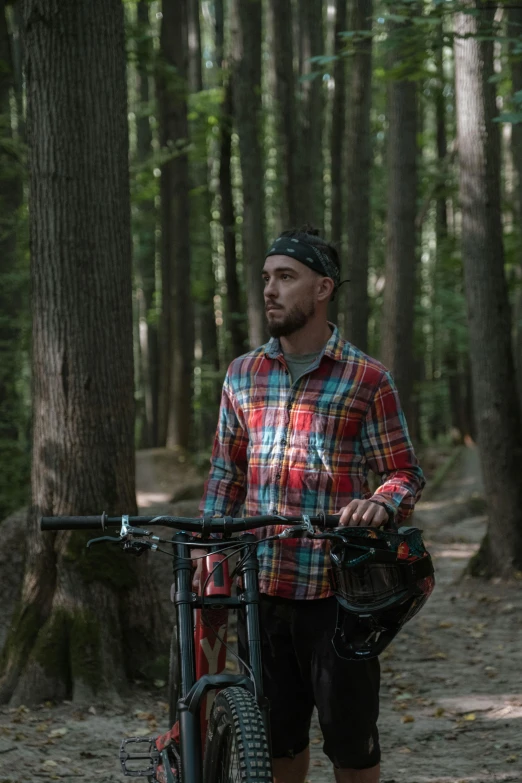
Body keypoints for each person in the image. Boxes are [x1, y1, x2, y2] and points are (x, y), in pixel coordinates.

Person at [196, 226, 425, 783]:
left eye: (286, 277)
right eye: (267, 278)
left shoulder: (368, 379)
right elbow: (226, 474)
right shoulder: (243, 374)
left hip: (337, 592)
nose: (270, 290)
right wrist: (208, 547)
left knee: (351, 744)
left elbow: (403, 472)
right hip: (261, 584)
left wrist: (380, 503)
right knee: (275, 738)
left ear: (322, 288)